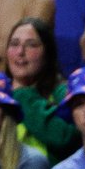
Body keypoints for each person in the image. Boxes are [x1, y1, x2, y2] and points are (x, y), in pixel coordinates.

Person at [6, 18, 79, 159]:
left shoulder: (64, 94)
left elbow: (62, 136)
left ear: (47, 53)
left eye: (31, 45)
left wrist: (21, 94)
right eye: (14, 44)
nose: (20, 52)